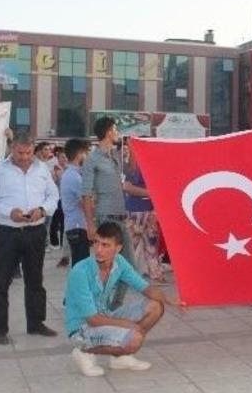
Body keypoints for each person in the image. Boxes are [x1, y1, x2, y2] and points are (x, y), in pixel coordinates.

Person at [64, 222, 181, 377]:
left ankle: (119, 357)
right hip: (82, 328)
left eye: (105, 245)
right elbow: (93, 319)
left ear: (118, 248)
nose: (99, 249)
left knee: (156, 307)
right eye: (96, 243)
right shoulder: (80, 271)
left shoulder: (119, 262)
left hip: (105, 316)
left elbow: (145, 288)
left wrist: (170, 300)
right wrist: (130, 326)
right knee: (134, 339)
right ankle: (84, 352)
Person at [0, 132, 60, 345]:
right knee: (1, 282)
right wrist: (9, 212)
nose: (24, 157)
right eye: (19, 152)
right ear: (12, 148)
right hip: (7, 233)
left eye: (27, 153)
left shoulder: (42, 169)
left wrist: (43, 210)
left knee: (35, 280)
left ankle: (36, 323)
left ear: (32, 149)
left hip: (35, 232)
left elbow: (53, 196)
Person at [83, 116, 134, 308]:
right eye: (115, 129)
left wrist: (135, 148)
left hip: (120, 217)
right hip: (106, 217)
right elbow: (86, 194)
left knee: (129, 266)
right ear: (108, 132)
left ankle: (114, 305)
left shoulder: (114, 157)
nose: (118, 133)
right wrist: (90, 224)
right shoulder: (92, 160)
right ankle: (103, 305)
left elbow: (131, 171)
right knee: (107, 266)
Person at [124, 147, 166, 283]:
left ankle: (156, 273)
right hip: (136, 211)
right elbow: (127, 187)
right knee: (131, 246)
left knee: (151, 244)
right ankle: (121, 276)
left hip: (149, 211)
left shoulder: (152, 167)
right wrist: (151, 192)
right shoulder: (133, 169)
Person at [62, 138, 92, 266]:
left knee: (79, 265)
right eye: (86, 153)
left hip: (75, 226)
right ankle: (78, 286)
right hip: (78, 227)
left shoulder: (71, 174)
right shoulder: (74, 177)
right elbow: (86, 203)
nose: (87, 156)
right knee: (81, 265)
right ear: (79, 154)